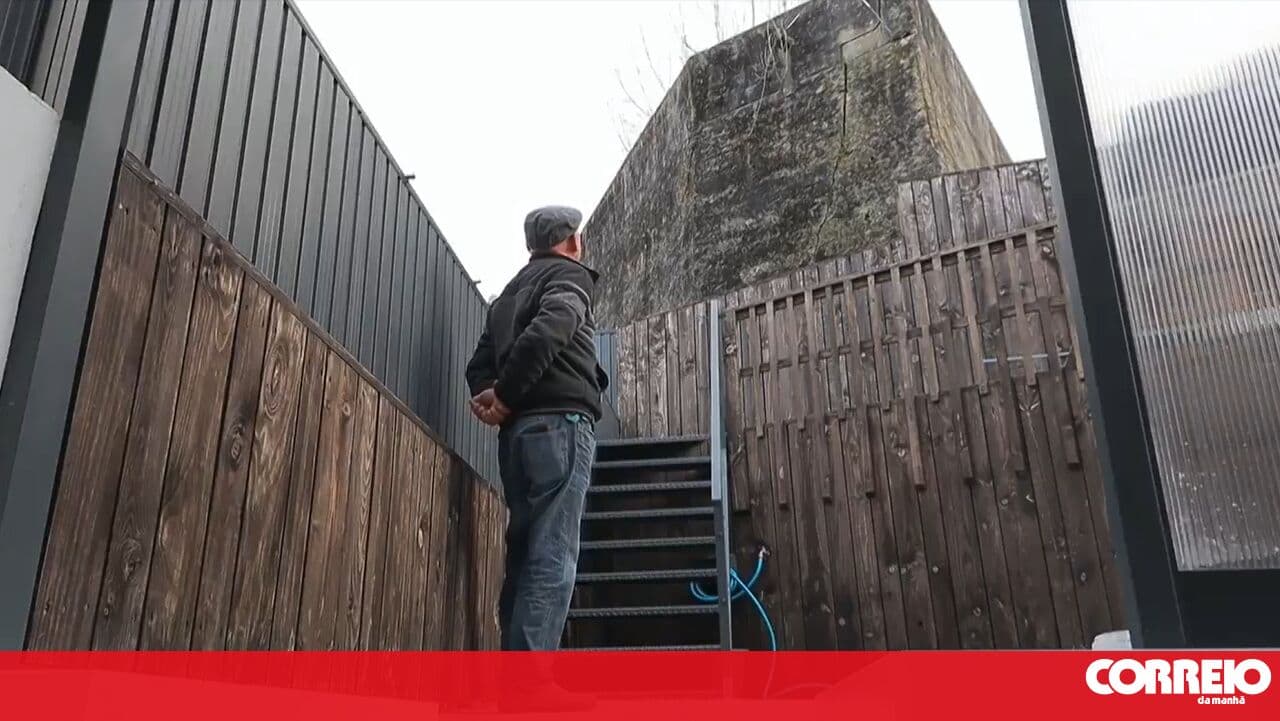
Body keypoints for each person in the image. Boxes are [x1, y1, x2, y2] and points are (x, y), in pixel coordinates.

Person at [465, 205, 608, 653]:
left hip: (518, 437)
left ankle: (514, 680)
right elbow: (551, 330)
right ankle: (529, 685)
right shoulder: (569, 276)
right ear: (571, 242)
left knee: (526, 555)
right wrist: (504, 396)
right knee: (553, 554)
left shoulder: (508, 294)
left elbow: (478, 365)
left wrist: (495, 395)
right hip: (561, 427)